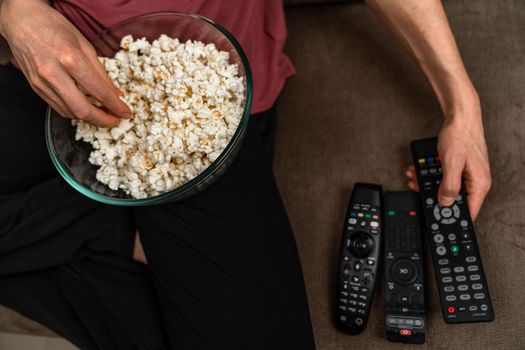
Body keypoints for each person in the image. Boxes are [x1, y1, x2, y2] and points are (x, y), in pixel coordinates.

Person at [0, 0, 491, 349]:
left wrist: (461, 105)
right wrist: (16, 12)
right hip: (64, 65)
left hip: (207, 88)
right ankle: (111, 227)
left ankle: (107, 223)